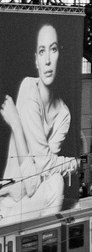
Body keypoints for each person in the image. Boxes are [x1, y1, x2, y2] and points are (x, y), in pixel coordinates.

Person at [1, 22, 73, 222]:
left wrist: (17, 126)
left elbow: (44, 168)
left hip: (31, 203)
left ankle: (46, 246)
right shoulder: (28, 87)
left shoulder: (64, 114)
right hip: (9, 206)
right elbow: (32, 183)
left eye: (53, 49)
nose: (48, 60)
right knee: (56, 182)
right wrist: (71, 162)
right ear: (36, 60)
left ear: (60, 55)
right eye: (42, 51)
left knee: (54, 180)